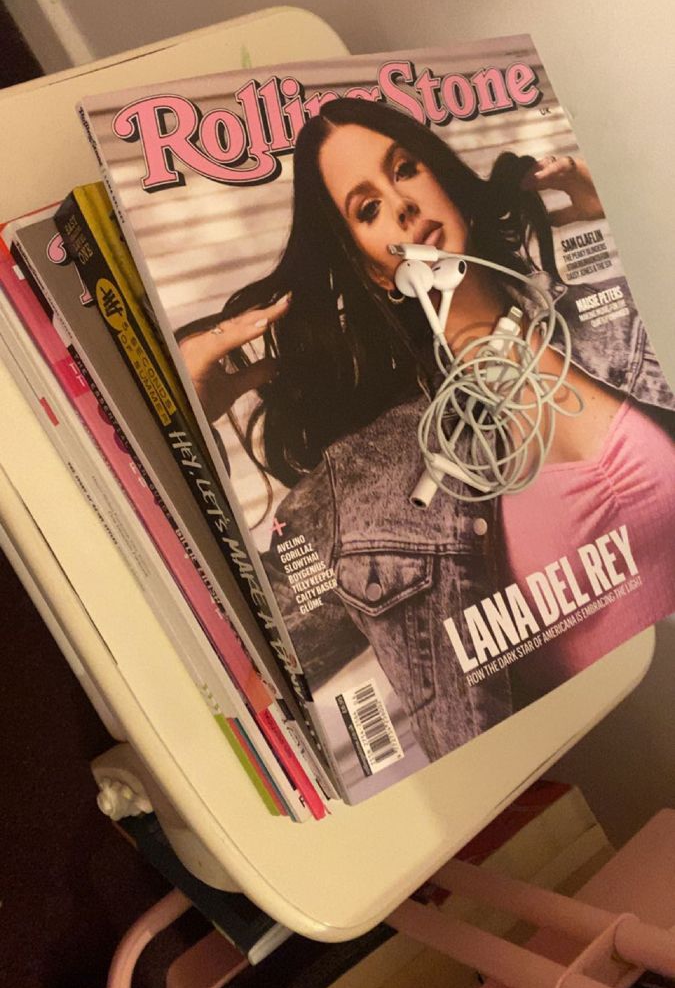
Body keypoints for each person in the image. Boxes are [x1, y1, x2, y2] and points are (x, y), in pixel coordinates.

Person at [178, 97, 675, 763]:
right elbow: (239, 669)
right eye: (366, 208)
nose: (401, 204)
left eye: (404, 170)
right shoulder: (369, 482)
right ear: (371, 269)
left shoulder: (603, 312)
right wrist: (179, 440)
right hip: (607, 765)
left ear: (442, 178)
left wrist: (610, 222)